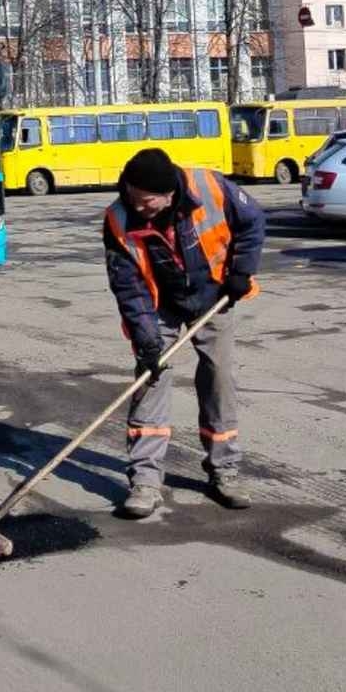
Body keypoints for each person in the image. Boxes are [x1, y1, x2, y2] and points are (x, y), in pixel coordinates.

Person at [102, 148, 266, 518]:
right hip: (159, 302)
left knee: (219, 378)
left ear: (168, 195)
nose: (137, 206)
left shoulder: (209, 186)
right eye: (132, 196)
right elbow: (127, 285)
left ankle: (224, 472)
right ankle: (145, 481)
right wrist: (146, 340)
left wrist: (241, 270)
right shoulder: (118, 218)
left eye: (145, 202)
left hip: (213, 295)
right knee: (150, 380)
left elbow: (253, 221)